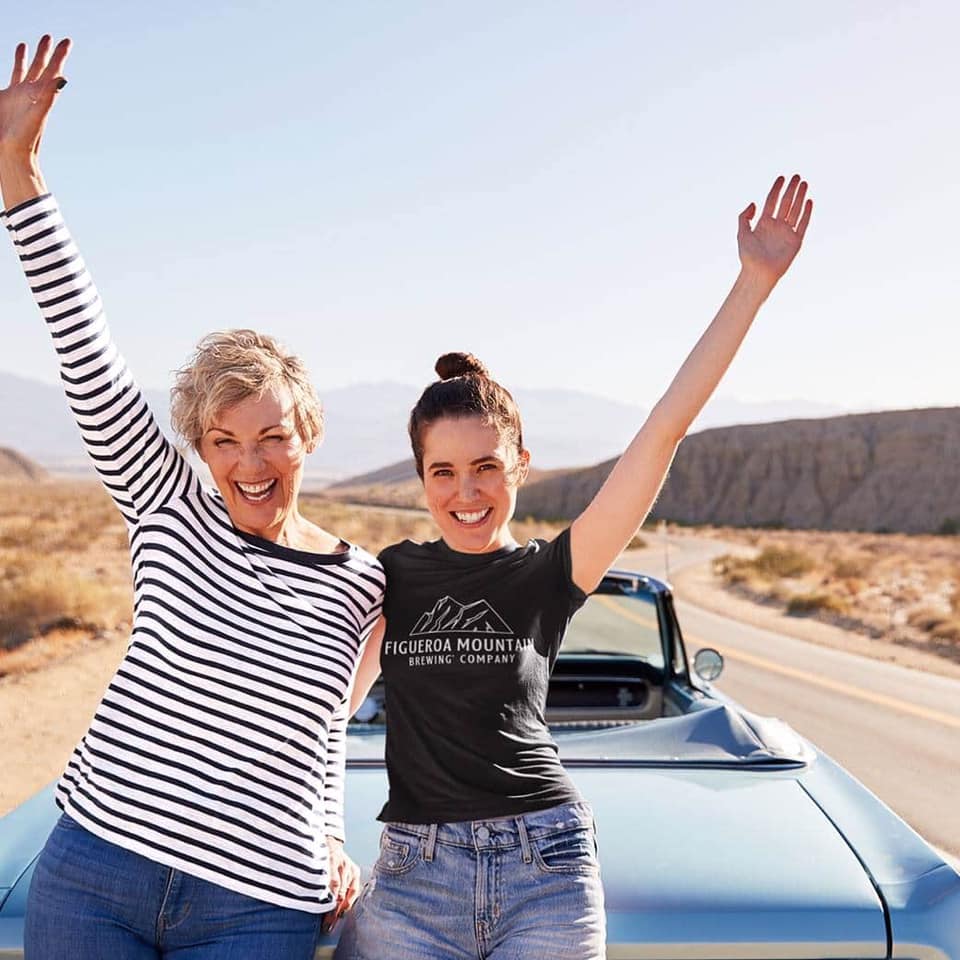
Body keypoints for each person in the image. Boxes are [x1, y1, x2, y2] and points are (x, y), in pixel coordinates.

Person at [338, 174, 812, 958]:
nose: (466, 492)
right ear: (420, 478)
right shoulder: (393, 574)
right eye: (443, 472)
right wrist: (318, 834)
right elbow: (331, 710)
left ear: (521, 465)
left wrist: (752, 285)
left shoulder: (549, 574)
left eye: (486, 467)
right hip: (414, 878)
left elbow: (662, 430)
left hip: (545, 868)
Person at [1, 37, 384, 959]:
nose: (250, 463)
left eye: (272, 436)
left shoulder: (364, 581)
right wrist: (20, 173)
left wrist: (332, 838)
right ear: (201, 447)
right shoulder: (166, 500)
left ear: (308, 435)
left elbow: (324, 732)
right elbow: (85, 350)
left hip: (258, 906)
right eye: (224, 441)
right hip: (97, 871)